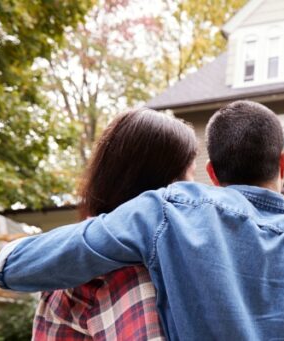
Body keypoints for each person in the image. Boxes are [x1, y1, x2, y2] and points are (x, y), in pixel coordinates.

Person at [0, 100, 284, 340]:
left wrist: (6, 258)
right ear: (283, 165)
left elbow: (18, 268)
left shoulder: (166, 212)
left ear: (212, 174)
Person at [33, 108, 198, 340]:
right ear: (164, 184)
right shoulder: (129, 272)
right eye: (188, 178)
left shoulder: (73, 256)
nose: (194, 193)